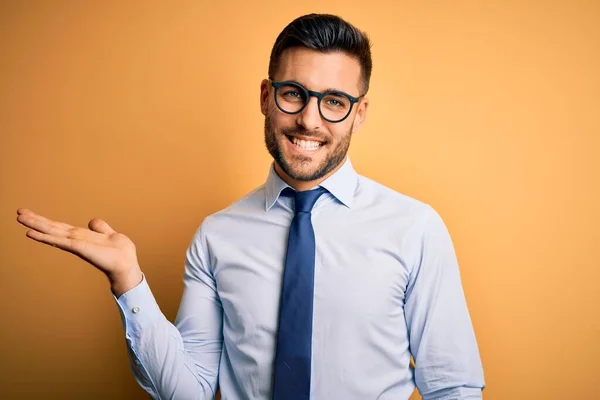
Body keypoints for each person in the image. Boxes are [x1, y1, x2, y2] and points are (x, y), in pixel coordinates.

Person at [16, 13, 485, 400]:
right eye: (293, 93)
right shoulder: (216, 236)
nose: (309, 119)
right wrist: (129, 283)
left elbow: (453, 386)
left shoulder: (414, 228)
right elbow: (189, 390)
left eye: (335, 102)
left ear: (359, 114)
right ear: (266, 97)